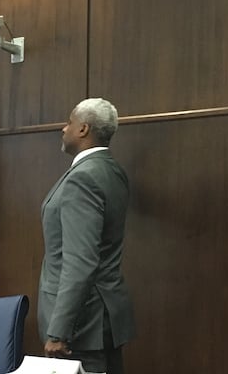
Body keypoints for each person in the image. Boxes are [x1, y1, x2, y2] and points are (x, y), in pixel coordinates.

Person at [38, 98, 136, 374]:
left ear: (83, 129)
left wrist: (58, 331)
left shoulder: (84, 178)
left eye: (69, 122)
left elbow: (81, 262)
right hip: (102, 317)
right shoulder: (112, 170)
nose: (63, 128)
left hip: (81, 326)